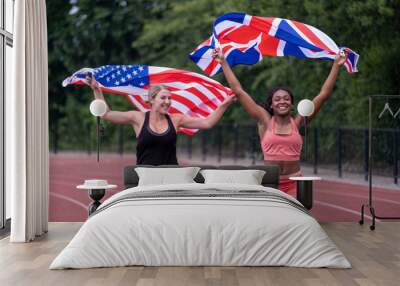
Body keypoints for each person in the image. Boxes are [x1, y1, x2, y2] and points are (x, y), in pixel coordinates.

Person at [213, 49, 348, 196]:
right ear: (271, 104)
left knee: (296, 217)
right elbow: (239, 91)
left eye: (286, 99)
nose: (282, 101)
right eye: (277, 99)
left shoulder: (299, 121)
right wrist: (224, 62)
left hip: (294, 182)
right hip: (270, 182)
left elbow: (323, 95)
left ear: (291, 104)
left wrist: (336, 65)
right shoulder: (264, 121)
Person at [85, 75, 236, 165]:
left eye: (170, 98)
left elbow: (207, 123)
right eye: (163, 97)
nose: (168, 101)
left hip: (171, 177)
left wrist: (224, 105)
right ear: (152, 100)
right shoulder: (137, 118)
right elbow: (106, 113)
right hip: (145, 178)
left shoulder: (176, 120)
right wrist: (96, 89)